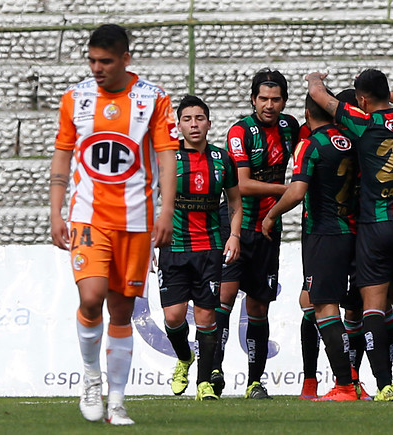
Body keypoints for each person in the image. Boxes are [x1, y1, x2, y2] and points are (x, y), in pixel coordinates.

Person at [49, 24, 178, 425]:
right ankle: (91, 379)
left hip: (136, 221)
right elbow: (63, 156)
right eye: (91, 60)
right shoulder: (75, 98)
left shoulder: (153, 99)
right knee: (91, 297)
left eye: (105, 61)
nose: (96, 68)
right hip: (88, 217)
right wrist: (56, 212)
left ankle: (117, 400)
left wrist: (166, 212)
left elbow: (167, 156)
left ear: (125, 58)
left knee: (121, 311)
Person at [306, 69, 393, 402]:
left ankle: (383, 384)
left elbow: (320, 97)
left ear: (362, 100)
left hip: (376, 225)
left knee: (373, 307)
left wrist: (315, 78)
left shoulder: (364, 123)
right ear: (387, 94)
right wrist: (391, 98)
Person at [262, 91, 359, 401]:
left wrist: (271, 214)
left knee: (324, 307)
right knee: (314, 302)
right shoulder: (351, 140)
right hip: (351, 230)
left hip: (323, 234)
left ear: (306, 112)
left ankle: (345, 385)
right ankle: (340, 382)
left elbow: (297, 191)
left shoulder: (311, 144)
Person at [211, 68, 300, 399]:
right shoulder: (240, 132)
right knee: (224, 299)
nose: (269, 105)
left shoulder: (290, 127)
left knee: (259, 308)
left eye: (276, 99)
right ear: (253, 100)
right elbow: (243, 185)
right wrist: (289, 189)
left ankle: (254, 381)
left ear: (284, 102)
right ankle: (212, 373)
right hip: (236, 227)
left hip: (267, 231)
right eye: (263, 98)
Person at [157, 95, 242, 401]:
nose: (194, 125)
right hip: (174, 247)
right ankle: (184, 357)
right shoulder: (167, 158)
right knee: (174, 317)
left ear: (209, 122)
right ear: (178, 125)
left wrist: (234, 235)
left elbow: (235, 202)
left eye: (199, 119)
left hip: (210, 248)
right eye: (187, 120)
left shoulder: (221, 160)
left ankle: (204, 383)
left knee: (207, 318)